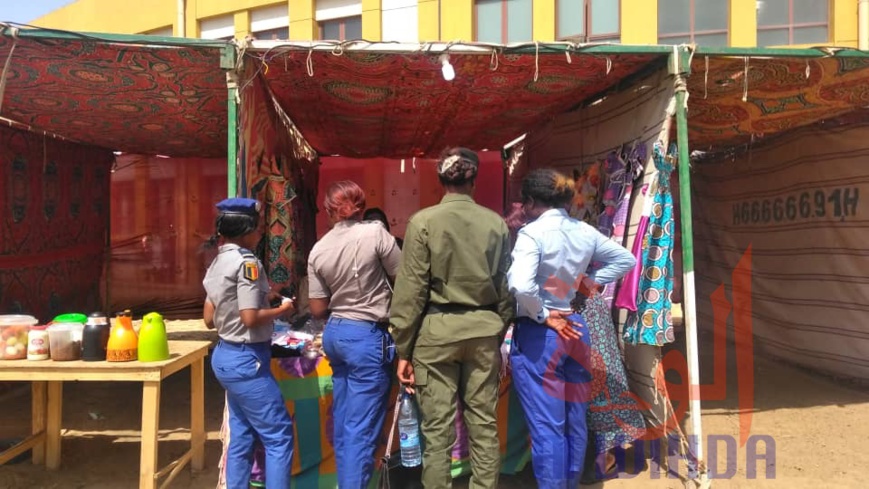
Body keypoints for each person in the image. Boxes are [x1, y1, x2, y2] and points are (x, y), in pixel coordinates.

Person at [390, 147, 515, 489]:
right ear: (475, 179)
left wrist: (404, 350)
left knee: (437, 432)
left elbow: (410, 292)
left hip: (436, 336)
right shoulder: (496, 224)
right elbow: (506, 287)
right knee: (483, 425)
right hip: (484, 332)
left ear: (440, 180)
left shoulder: (423, 222)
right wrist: (496, 329)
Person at [506, 169, 635, 488]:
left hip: (543, 334)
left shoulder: (532, 234)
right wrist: (586, 285)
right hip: (577, 328)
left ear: (532, 202)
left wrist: (542, 315)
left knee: (547, 426)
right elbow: (626, 260)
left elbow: (520, 286)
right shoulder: (584, 231)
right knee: (575, 420)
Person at [307, 181, 402, 489]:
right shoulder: (375, 233)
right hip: (366, 335)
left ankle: (345, 482)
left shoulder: (318, 249)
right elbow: (404, 279)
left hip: (336, 332)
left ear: (328, 210)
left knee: (347, 421)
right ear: (361, 205)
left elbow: (318, 307)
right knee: (361, 427)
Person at [201, 197, 296, 489]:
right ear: (245, 231)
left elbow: (208, 317)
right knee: (278, 435)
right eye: (256, 230)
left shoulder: (217, 261)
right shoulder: (247, 263)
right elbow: (250, 318)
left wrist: (260, 297)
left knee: (241, 435)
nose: (259, 235)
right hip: (247, 359)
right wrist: (283, 309)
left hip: (224, 356)